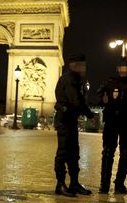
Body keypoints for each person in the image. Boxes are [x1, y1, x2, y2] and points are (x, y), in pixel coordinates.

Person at [97, 59, 127, 194]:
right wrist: (103, 99)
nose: (124, 70)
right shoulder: (109, 83)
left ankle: (119, 184)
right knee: (107, 152)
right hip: (111, 122)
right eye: (122, 68)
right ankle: (104, 185)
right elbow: (99, 100)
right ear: (118, 69)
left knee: (125, 153)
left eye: (126, 68)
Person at [53, 53, 95, 197]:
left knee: (74, 153)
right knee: (63, 153)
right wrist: (89, 114)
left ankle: (74, 183)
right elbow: (76, 100)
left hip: (70, 120)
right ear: (75, 66)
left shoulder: (75, 79)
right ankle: (60, 184)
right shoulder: (70, 79)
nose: (85, 68)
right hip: (64, 121)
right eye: (82, 65)